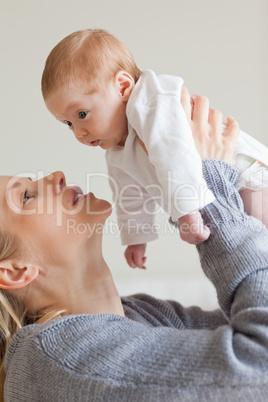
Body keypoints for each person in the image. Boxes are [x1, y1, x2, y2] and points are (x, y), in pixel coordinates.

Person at [1, 92, 268, 402]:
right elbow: (258, 365)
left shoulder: (140, 313)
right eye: (26, 197)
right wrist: (204, 191)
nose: (55, 176)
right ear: (17, 270)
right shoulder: (56, 360)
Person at [41, 28, 268, 269]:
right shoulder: (117, 149)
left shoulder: (151, 103)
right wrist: (136, 238)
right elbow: (128, 194)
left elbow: (173, 152)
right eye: (68, 123)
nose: (78, 132)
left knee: (260, 240)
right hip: (219, 191)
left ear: (122, 86)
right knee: (249, 252)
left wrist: (187, 210)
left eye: (82, 114)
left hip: (248, 175)